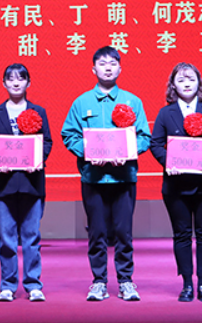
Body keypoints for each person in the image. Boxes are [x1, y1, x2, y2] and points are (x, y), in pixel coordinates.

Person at [61, 46, 151, 302]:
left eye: (113, 63)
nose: (108, 68)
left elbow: (144, 136)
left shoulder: (133, 101)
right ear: (94, 69)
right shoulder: (82, 102)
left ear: (120, 68)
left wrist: (129, 152)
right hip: (94, 178)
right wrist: (88, 152)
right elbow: (69, 134)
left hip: (123, 177)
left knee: (124, 233)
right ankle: (99, 281)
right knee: (97, 233)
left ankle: (126, 281)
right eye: (102, 63)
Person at [148, 62, 202, 303]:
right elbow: (155, 143)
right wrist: (169, 162)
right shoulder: (166, 112)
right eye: (181, 80)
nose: (186, 83)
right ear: (173, 85)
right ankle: (186, 284)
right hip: (176, 185)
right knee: (181, 235)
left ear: (198, 82)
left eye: (191, 79)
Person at [0, 63, 54, 302]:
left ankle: (33, 285)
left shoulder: (38, 111)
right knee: (7, 239)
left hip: (32, 183)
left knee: (32, 237)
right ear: (4, 83)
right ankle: (8, 285)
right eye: (10, 79)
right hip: (4, 184)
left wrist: (38, 159)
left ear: (28, 83)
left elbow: (47, 141)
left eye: (20, 78)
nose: (15, 82)